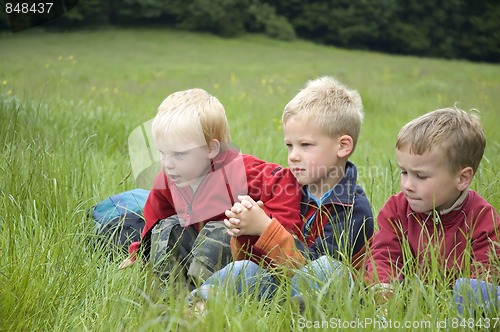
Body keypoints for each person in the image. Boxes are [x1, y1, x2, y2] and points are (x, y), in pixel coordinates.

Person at [189, 76, 374, 308]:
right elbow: (260, 262)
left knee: (325, 268)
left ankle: (294, 317)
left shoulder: (353, 208)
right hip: (280, 286)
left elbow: (314, 272)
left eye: (305, 145)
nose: (293, 155)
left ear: (343, 146)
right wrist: (245, 231)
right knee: (243, 269)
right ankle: (197, 310)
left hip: (325, 295)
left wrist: (266, 228)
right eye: (290, 145)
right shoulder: (286, 189)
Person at [120, 88, 303, 288]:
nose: (167, 163)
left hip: (234, 256)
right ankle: (170, 294)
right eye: (163, 153)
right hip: (193, 247)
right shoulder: (168, 179)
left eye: (178, 154)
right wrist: (139, 252)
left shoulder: (241, 171)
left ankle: (204, 295)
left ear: (211, 149)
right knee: (169, 226)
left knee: (221, 230)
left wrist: (271, 223)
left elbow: (284, 181)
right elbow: (155, 220)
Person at [365, 107, 500, 315]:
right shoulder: (396, 209)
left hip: (460, 307)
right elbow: (383, 255)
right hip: (408, 298)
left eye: (421, 176)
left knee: (477, 292)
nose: (408, 185)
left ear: (462, 178)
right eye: (404, 172)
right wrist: (385, 287)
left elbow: (487, 271)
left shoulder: (482, 218)